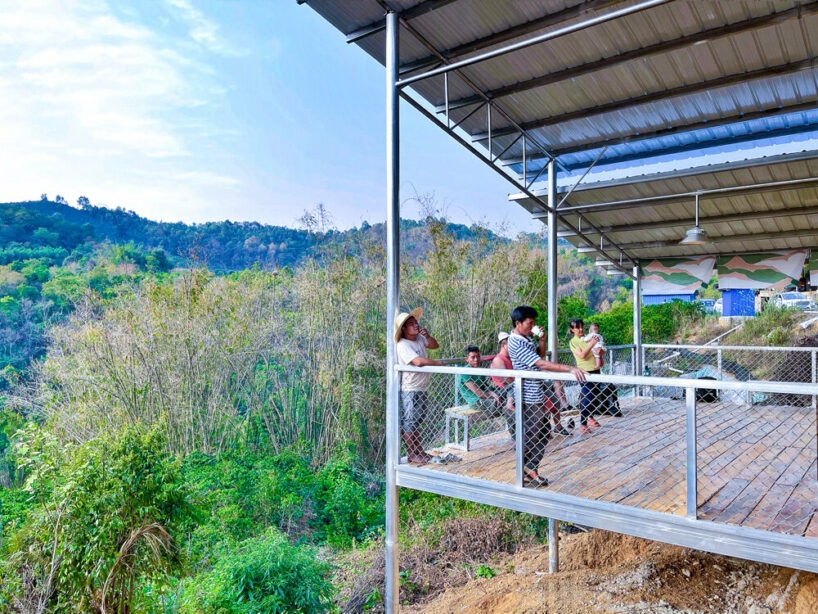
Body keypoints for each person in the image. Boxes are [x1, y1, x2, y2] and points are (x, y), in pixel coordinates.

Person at [507, 305, 587, 487]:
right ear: (518, 323)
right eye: (530, 323)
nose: (533, 325)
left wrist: (541, 340)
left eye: (534, 322)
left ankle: (530, 470)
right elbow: (540, 364)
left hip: (537, 392)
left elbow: (539, 354)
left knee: (542, 432)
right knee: (533, 433)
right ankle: (524, 472)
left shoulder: (526, 337)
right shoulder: (515, 342)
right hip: (527, 395)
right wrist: (570, 368)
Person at [395, 307, 442, 464]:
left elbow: (435, 345)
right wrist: (437, 363)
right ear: (404, 328)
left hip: (421, 387)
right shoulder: (403, 344)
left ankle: (418, 451)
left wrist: (427, 335)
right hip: (410, 389)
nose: (416, 325)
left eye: (416, 323)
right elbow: (418, 361)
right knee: (410, 421)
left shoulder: (420, 339)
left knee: (417, 420)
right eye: (411, 324)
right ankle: (412, 454)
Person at [568, 318, 603, 433]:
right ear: (572, 330)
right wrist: (591, 344)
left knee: (595, 395)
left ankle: (590, 417)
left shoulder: (588, 338)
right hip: (584, 373)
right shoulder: (573, 341)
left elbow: (598, 349)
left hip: (595, 370)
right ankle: (582, 423)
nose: (581, 329)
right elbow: (582, 355)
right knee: (588, 396)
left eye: (582, 326)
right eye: (578, 327)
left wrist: (600, 351)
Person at [457, 345, 502, 411]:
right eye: (473, 357)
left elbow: (485, 387)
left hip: (487, 396)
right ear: (467, 359)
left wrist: (493, 392)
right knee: (503, 403)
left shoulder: (479, 370)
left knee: (510, 387)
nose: (476, 359)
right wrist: (493, 395)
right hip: (477, 401)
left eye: (478, 356)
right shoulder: (465, 372)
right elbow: (479, 393)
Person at [490, 332, 516, 439]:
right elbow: (508, 381)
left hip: (515, 389)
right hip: (503, 392)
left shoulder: (512, 358)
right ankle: (516, 439)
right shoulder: (498, 360)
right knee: (516, 385)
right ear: (504, 345)